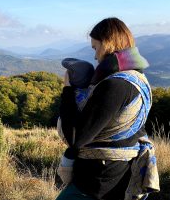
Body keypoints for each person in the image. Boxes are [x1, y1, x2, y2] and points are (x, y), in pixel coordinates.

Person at [56, 17, 160, 200]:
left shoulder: (115, 85)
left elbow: (75, 137)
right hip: (121, 173)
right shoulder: (137, 78)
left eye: (95, 48)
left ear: (108, 43)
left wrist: (68, 91)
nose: (95, 56)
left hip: (99, 180)